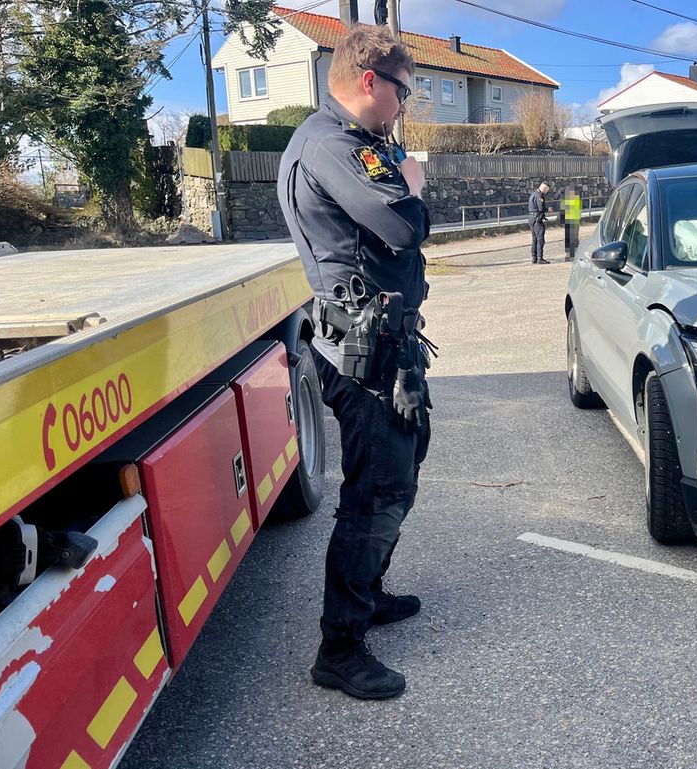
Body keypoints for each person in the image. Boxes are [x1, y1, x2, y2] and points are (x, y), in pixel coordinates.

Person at [277, 23, 431, 701]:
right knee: (375, 493)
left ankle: (366, 595)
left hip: (384, 343)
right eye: (403, 91)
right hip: (360, 352)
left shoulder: (348, 142)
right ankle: (339, 649)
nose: (404, 104)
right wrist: (412, 183)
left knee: (401, 469)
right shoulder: (332, 146)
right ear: (370, 81)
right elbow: (401, 225)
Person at [528, 181, 552, 264]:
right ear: (545, 187)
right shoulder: (539, 196)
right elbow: (541, 208)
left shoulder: (533, 194)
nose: (547, 192)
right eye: (547, 190)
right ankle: (539, 258)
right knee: (540, 239)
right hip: (537, 219)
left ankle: (534, 257)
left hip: (531, 218)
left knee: (534, 239)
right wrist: (548, 209)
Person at [558, 185, 581, 261]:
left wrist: (562, 222)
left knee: (571, 238)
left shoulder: (565, 201)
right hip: (573, 221)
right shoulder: (576, 200)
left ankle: (570, 255)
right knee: (573, 238)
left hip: (570, 221)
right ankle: (573, 254)